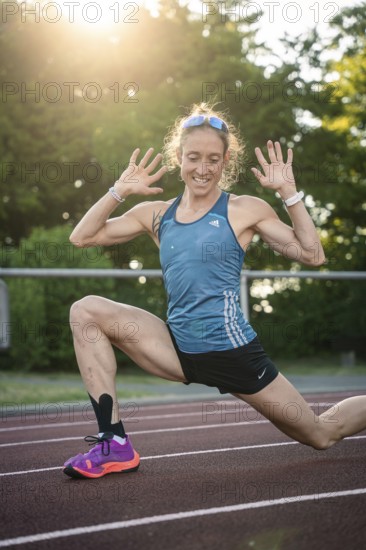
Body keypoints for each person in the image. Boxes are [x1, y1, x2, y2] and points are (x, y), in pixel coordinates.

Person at [63, 104, 366, 479]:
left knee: (320, 434)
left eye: (213, 159)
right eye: (193, 157)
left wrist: (289, 193)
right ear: (179, 158)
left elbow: (312, 254)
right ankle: (114, 444)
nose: (202, 169)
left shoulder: (243, 209)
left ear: (225, 162)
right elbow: (82, 236)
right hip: (178, 349)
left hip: (234, 354)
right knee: (86, 310)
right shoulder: (157, 214)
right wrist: (118, 191)